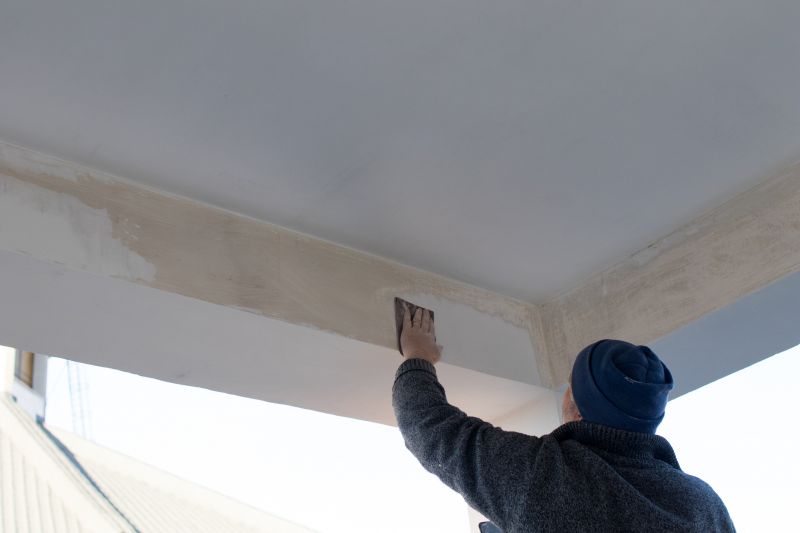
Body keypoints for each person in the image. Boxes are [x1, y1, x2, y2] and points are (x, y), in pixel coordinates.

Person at [392, 305, 735, 532]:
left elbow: (430, 427)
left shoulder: (544, 476)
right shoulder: (705, 507)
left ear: (575, 402)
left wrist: (418, 356)